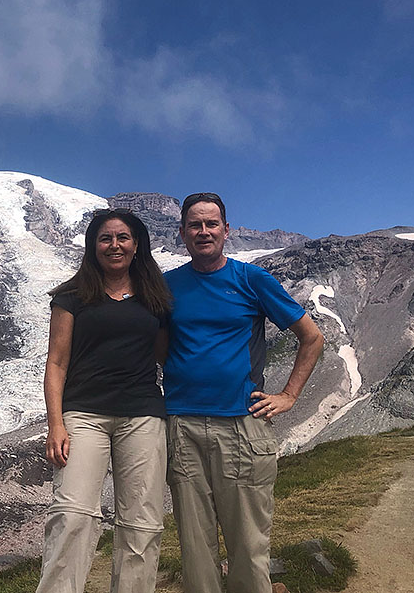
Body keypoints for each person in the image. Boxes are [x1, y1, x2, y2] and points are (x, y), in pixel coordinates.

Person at [162, 192, 324, 593]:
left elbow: (312, 337)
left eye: (211, 223)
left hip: (241, 425)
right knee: (194, 544)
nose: (204, 231)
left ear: (226, 230)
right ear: (182, 232)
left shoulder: (252, 280)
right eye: (195, 225)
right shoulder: (166, 287)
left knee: (248, 542)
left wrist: (289, 395)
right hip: (181, 425)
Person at [36, 208, 172, 593]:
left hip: (143, 415)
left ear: (136, 244)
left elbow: (165, 355)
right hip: (83, 415)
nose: (114, 245)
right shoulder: (72, 296)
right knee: (72, 513)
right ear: (93, 245)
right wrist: (56, 424)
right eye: (105, 238)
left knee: (142, 521)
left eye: (122, 237)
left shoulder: (155, 297)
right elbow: (57, 362)